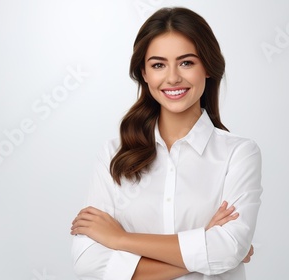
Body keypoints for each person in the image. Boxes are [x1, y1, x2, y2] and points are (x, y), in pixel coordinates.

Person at [70, 7, 262, 280]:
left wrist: (120, 239)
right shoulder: (114, 154)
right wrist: (203, 246)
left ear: (207, 67)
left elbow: (229, 249)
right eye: (158, 64)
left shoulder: (239, 154)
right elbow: (88, 263)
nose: (172, 78)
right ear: (144, 74)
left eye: (186, 62)